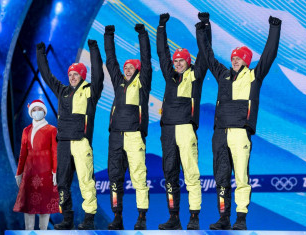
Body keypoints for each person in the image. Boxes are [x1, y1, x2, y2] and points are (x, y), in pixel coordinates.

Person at [196, 15, 282, 230]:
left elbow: (269, 55)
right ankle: (223, 217)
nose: (235, 60)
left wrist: (275, 28)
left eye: (240, 58)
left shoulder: (254, 76)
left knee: (241, 176)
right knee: (221, 177)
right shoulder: (222, 74)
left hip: (240, 133)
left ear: (247, 60)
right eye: (234, 57)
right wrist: (203, 29)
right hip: (220, 133)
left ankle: (241, 219)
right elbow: (207, 55)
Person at [36, 39, 104, 230]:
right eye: (71, 74)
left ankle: (89, 219)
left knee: (85, 180)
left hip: (81, 142)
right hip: (64, 142)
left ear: (83, 75)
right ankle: (67, 218)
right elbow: (47, 76)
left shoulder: (91, 91)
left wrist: (93, 50)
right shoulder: (63, 91)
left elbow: (98, 75)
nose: (72, 77)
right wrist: (41, 54)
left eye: (76, 74)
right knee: (62, 182)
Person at [156, 12, 211, 230]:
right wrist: (161, 28)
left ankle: (194, 216)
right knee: (169, 172)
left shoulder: (195, 75)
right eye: (176, 61)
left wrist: (205, 27)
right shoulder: (169, 75)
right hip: (168, 129)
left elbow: (205, 53)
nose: (177, 64)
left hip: (186, 129)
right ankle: (173, 217)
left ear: (188, 62)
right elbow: (162, 53)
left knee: (191, 172)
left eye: (181, 61)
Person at [104, 23, 152, 230]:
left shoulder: (142, 83)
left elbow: (147, 59)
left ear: (138, 70)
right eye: (125, 67)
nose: (126, 69)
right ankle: (117, 217)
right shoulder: (119, 83)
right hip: (116, 135)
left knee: (139, 176)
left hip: (134, 135)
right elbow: (111, 60)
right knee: (114, 177)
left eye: (130, 67)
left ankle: (141, 217)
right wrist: (109, 35)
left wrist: (142, 34)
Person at [13, 99, 59, 230]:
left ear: (44, 111)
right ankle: (29, 231)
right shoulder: (26, 130)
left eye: (39, 109)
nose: (36, 112)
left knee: (44, 204)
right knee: (28, 205)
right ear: (30, 112)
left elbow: (55, 152)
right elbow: (22, 154)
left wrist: (55, 171)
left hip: (46, 170)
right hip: (29, 171)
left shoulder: (51, 129)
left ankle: (43, 231)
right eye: (34, 110)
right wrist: (19, 173)